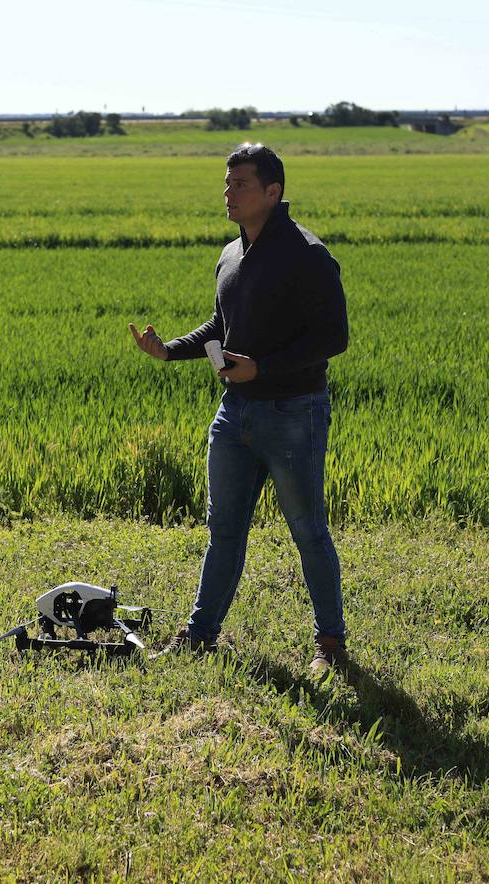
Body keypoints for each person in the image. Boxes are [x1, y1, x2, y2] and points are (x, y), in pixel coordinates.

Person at [129, 143, 350, 676]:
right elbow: (222, 328)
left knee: (308, 530)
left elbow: (334, 337)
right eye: (227, 183)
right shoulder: (230, 254)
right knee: (224, 529)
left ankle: (331, 644)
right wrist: (171, 350)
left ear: (273, 192)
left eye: (241, 184)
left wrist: (264, 369)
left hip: (293, 412)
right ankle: (201, 634)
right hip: (234, 414)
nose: (229, 193)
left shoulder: (308, 255)